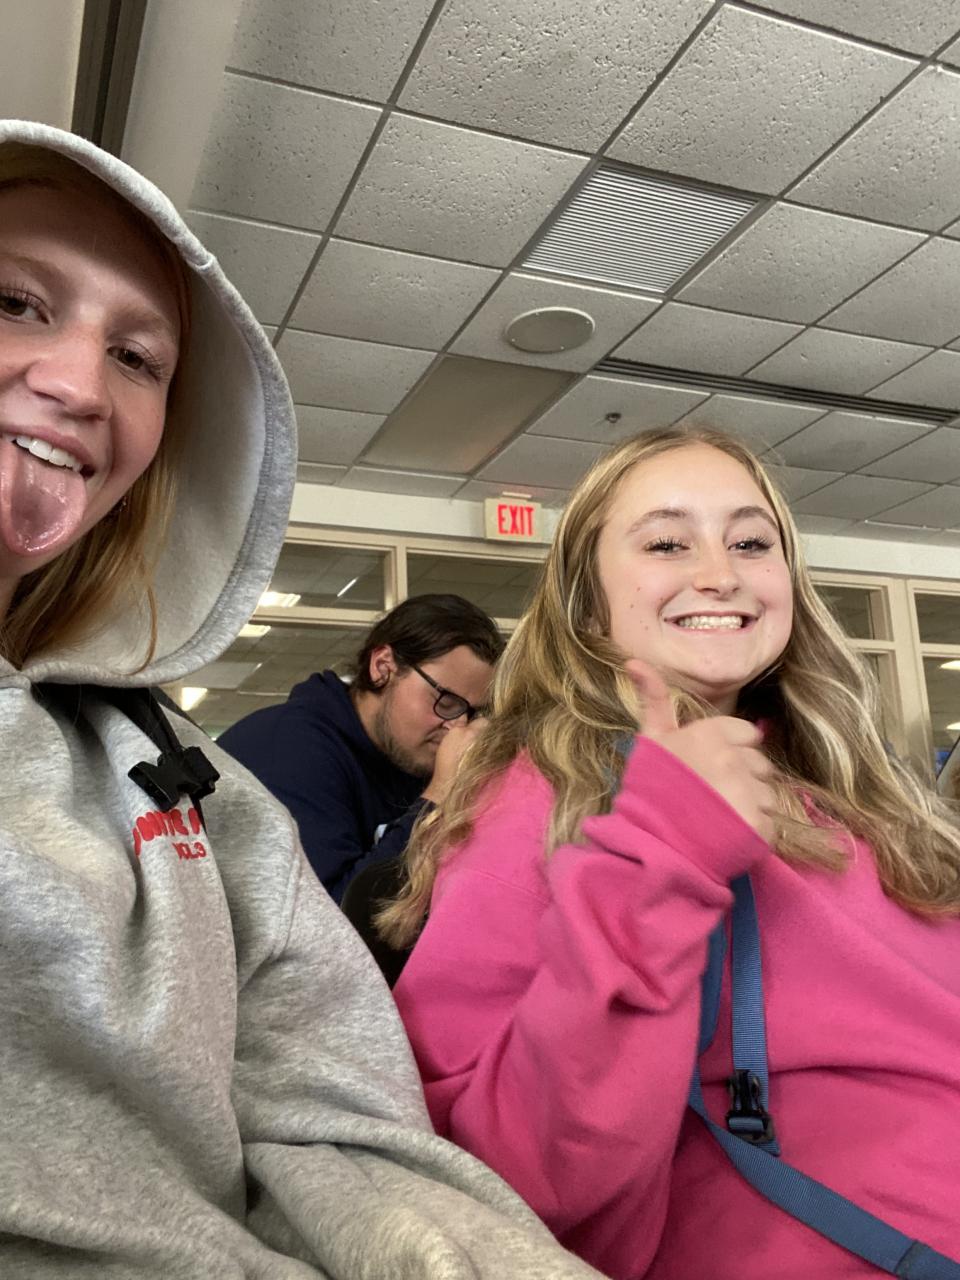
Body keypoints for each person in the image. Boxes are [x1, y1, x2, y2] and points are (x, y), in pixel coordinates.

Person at [0, 118, 606, 1280]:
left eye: (138, 358)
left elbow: (332, 1109)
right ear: (382, 666)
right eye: (17, 301)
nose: (78, 382)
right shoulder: (287, 752)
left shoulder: (189, 780)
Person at [381, 426, 960, 1280]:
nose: (720, 573)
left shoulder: (843, 779)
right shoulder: (541, 798)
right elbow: (497, 1178)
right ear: (587, 603)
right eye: (666, 543)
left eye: (751, 542)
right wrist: (662, 856)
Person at [219, 593, 502, 902]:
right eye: (446, 702)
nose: (457, 726)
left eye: (473, 713)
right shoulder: (288, 750)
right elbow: (333, 918)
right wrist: (440, 795)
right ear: (382, 667)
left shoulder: (409, 757)